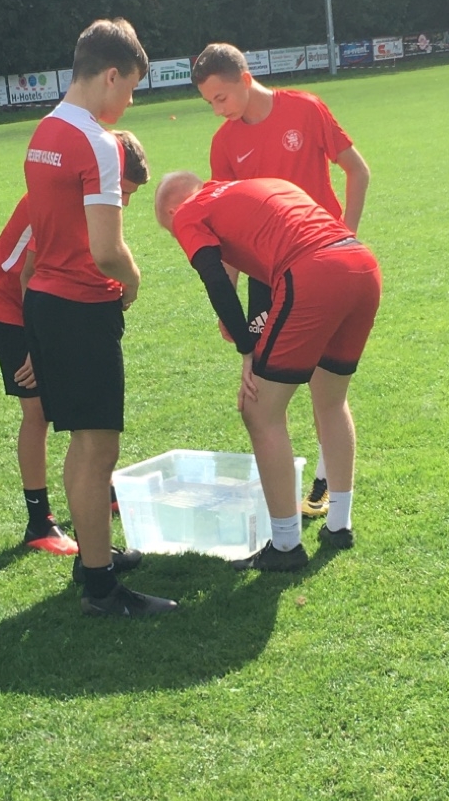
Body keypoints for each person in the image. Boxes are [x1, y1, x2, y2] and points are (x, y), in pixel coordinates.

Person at [23, 17, 178, 616]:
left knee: (82, 444)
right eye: (132, 87)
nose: (131, 101)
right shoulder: (97, 142)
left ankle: (93, 556)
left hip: (46, 302)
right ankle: (100, 587)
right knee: (99, 449)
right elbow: (107, 249)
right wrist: (132, 281)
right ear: (111, 75)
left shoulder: (44, 130)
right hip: (81, 307)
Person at [155, 172, 381, 571]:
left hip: (314, 270)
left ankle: (286, 545)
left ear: (173, 211)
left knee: (259, 411)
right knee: (331, 400)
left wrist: (247, 348)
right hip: (361, 264)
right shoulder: (252, 187)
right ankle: (339, 524)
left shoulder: (188, 212)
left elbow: (214, 277)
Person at [192, 42, 371, 524]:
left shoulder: (305, 110)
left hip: (320, 269)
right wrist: (228, 307)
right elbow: (224, 230)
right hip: (267, 279)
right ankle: (298, 492)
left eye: (221, 98)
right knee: (269, 388)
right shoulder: (224, 144)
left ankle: (324, 490)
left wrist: (346, 234)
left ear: (246, 79)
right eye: (209, 102)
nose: (218, 110)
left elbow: (358, 170)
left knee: (323, 387)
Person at [0, 130, 149, 556]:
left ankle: (99, 489)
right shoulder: (56, 198)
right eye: (123, 191)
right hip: (4, 302)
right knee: (38, 411)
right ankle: (39, 522)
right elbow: (28, 275)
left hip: (38, 302)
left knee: (74, 400)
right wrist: (39, 346)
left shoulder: (89, 194)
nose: (124, 202)